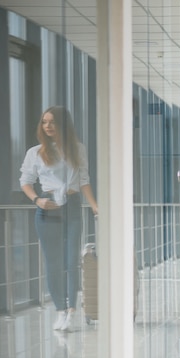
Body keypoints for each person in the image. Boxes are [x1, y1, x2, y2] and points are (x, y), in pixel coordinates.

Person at [20, 106, 98, 332]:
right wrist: (37, 200)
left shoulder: (77, 150)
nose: (48, 126)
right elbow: (25, 181)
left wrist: (94, 206)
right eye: (45, 122)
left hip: (72, 207)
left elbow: (84, 180)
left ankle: (71, 309)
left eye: (52, 122)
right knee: (52, 263)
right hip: (47, 207)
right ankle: (60, 310)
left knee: (71, 260)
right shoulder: (35, 152)